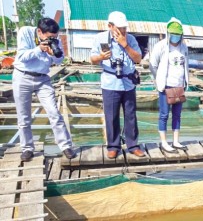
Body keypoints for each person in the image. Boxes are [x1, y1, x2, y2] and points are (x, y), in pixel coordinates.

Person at [13, 18, 76, 162]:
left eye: (55, 37)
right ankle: (27, 148)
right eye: (50, 37)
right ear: (39, 32)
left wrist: (53, 54)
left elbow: (60, 60)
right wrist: (39, 49)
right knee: (24, 117)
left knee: (54, 112)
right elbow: (22, 57)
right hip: (22, 76)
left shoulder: (55, 39)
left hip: (43, 78)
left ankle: (65, 146)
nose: (53, 39)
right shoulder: (25, 32)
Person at [90, 11, 145, 159]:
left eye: (125, 28)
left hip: (128, 83)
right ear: (110, 26)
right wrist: (101, 57)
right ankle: (113, 146)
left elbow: (138, 58)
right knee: (111, 116)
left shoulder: (131, 39)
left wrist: (125, 45)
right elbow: (92, 59)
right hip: (110, 82)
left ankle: (133, 145)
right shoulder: (100, 38)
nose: (123, 31)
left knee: (131, 115)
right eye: (120, 28)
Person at [149, 17, 189, 153]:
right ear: (168, 33)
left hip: (179, 86)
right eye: (173, 34)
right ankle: (164, 142)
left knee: (177, 115)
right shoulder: (160, 46)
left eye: (178, 34)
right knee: (164, 114)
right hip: (165, 86)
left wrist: (185, 83)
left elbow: (186, 65)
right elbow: (152, 64)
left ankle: (176, 141)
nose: (175, 37)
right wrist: (158, 79)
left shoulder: (184, 47)